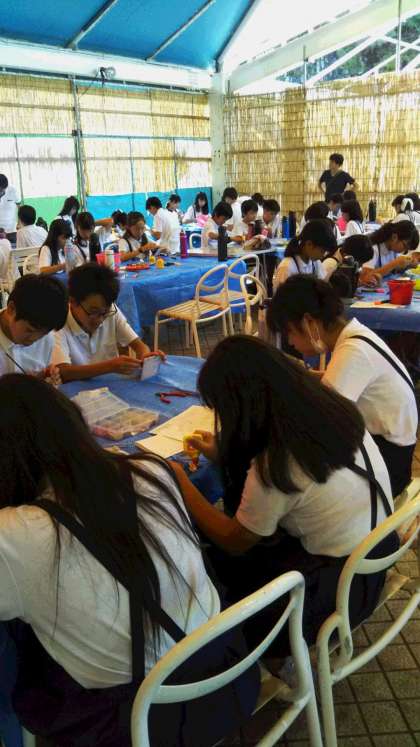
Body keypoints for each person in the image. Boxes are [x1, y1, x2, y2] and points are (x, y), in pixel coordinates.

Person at [0, 375, 258, 746]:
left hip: (145, 725)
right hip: (231, 679)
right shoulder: (151, 469)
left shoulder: (15, 535)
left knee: (17, 650)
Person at [170, 335, 397, 656]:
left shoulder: (276, 462)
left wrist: (180, 482)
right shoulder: (330, 408)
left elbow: (234, 539)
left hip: (333, 597)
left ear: (242, 408)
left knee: (208, 562)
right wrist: (224, 452)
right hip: (374, 558)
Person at [268, 276, 417, 496]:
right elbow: (332, 386)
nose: (290, 342)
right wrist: (300, 374)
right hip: (390, 448)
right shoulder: (355, 335)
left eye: (289, 332)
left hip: (389, 464)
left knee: (288, 476)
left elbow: (321, 419)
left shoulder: (353, 351)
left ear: (309, 322)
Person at [52, 263, 156, 381]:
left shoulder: (110, 311)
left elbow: (139, 345)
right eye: (93, 312)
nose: (100, 320)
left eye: (104, 313)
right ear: (73, 302)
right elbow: (63, 371)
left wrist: (145, 359)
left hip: (110, 385)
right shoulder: (58, 322)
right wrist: (110, 367)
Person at [0, 274, 67, 377]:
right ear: (11, 309)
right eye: (29, 330)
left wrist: (44, 377)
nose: (34, 339)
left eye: (43, 333)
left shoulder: (47, 339)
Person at [272, 219, 334, 291]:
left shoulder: (315, 262)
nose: (322, 256)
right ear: (309, 244)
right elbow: (280, 296)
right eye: (322, 251)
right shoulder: (287, 267)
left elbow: (323, 284)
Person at [0, 175, 20, 243]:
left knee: (15, 248)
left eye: (2, 189)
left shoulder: (13, 190)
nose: (1, 191)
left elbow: (19, 206)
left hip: (11, 229)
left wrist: (19, 223)